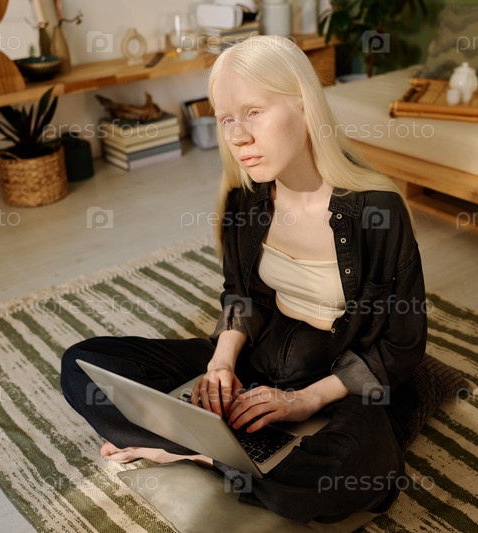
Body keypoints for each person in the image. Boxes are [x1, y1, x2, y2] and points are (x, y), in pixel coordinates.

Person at [60, 35, 429, 524]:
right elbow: (241, 295)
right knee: (84, 365)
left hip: (339, 381)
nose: (237, 136)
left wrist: (302, 401)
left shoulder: (377, 212)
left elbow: (401, 345)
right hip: (260, 355)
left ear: (304, 105)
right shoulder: (245, 199)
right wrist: (221, 362)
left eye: (253, 112)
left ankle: (197, 453)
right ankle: (229, 456)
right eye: (225, 118)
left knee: (351, 472)